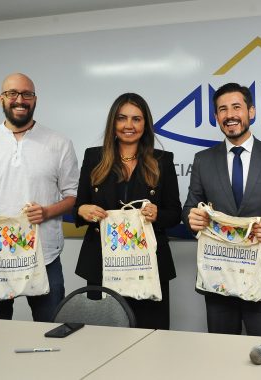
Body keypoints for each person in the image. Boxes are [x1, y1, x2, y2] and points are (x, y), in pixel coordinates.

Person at [0, 73, 79, 321]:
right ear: (1, 98)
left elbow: (72, 195)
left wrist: (46, 212)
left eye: (27, 94)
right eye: (12, 93)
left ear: (35, 99)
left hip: (44, 256)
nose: (19, 100)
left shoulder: (59, 143)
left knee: (53, 330)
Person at [182, 82, 261, 336]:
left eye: (237, 107)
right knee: (222, 359)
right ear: (216, 118)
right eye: (222, 110)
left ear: (251, 112)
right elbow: (190, 206)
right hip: (218, 280)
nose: (230, 115)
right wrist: (192, 218)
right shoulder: (203, 160)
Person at [74, 93, 181, 329]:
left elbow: (174, 213)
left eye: (136, 119)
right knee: (103, 339)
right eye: (122, 118)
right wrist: (84, 209)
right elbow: (78, 206)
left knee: (151, 339)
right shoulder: (94, 157)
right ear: (113, 122)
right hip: (102, 264)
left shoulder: (162, 160)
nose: (129, 125)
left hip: (149, 266)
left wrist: (157, 214)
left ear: (146, 124)